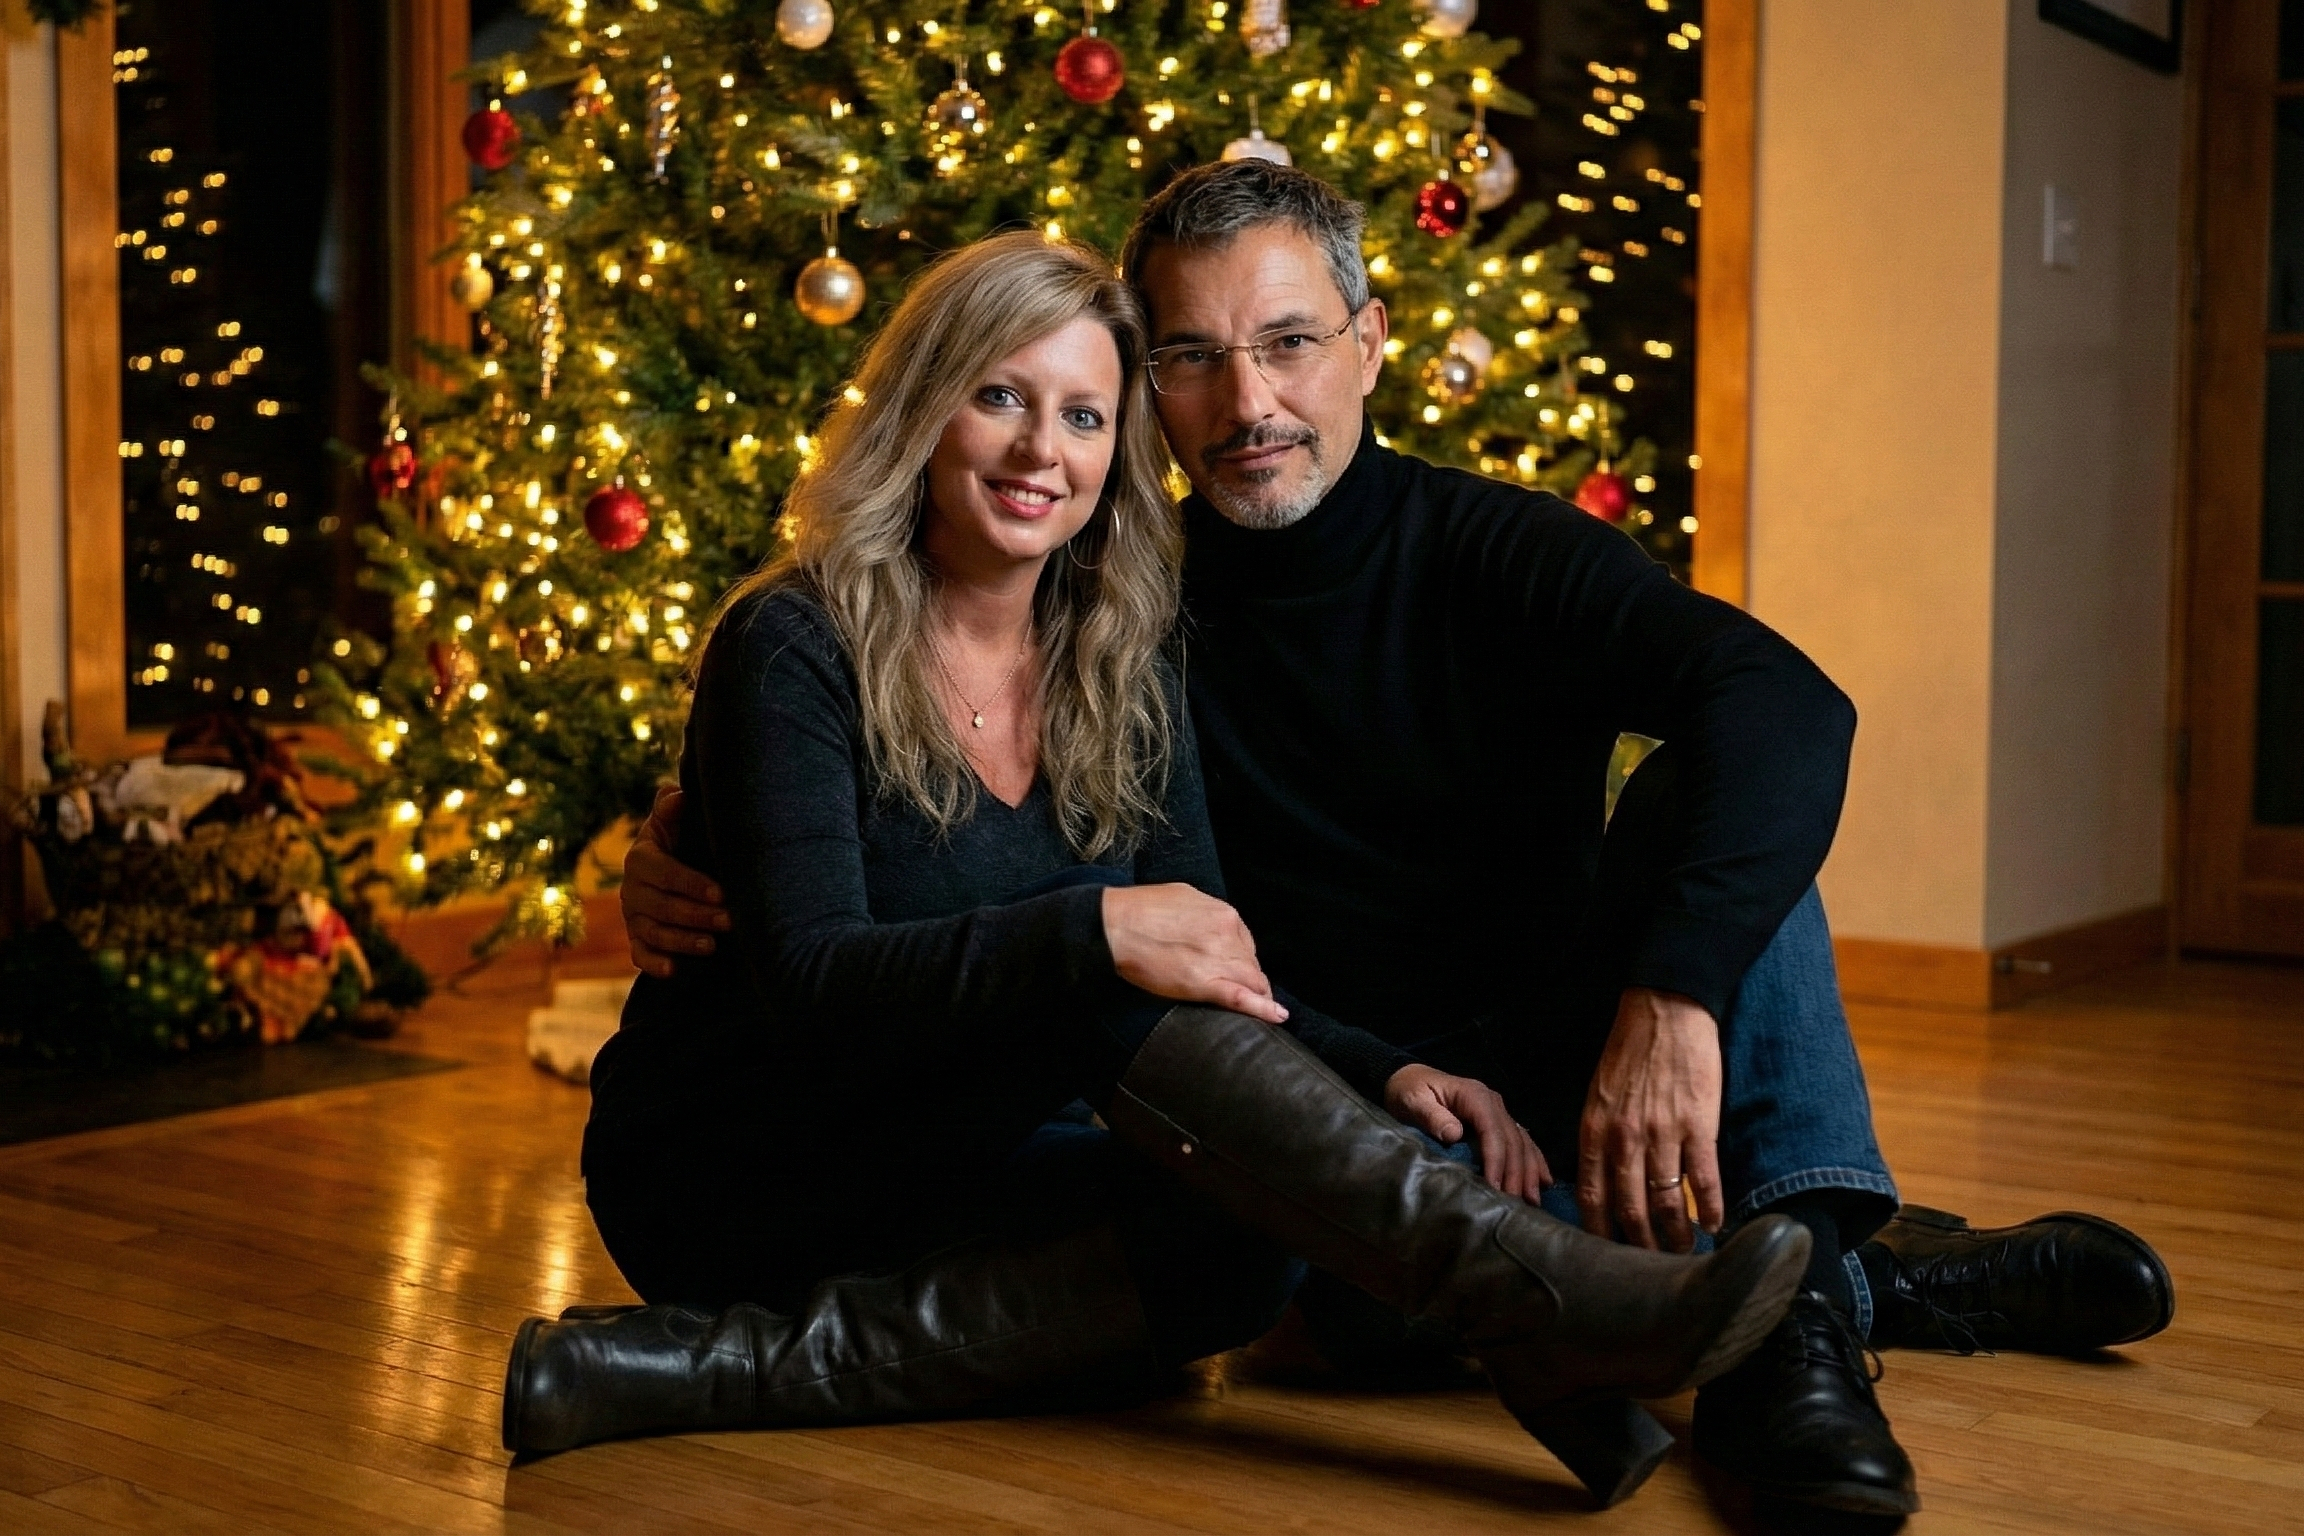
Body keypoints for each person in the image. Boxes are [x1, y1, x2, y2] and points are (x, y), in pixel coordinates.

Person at [621, 164, 2175, 1521]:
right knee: (1326, 1269)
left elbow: (1786, 707)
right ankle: (1844, 1267)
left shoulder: (1478, 550)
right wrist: (691, 849)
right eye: (1193, 360)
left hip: (1529, 1069)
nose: (1251, 406)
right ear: (1155, 387)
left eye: (1291, 343)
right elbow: (924, 846)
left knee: (1727, 805)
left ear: (1369, 344)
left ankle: (1791, 1339)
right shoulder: (1114, 609)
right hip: (1320, 1116)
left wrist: (1674, 999)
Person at [502, 229, 1815, 1507]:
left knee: (1248, 1250)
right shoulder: (795, 641)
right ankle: (1547, 1310)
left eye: (1083, 416)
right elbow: (812, 983)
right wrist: (1090, 936)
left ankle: (683, 1370)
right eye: (1000, 397)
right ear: (920, 413)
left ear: (1118, 453)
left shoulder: (1123, 655)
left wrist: (1381, 1068)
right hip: (747, 1159)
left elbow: (1210, 960)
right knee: (1114, 968)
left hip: (962, 1156)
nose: (1040, 450)